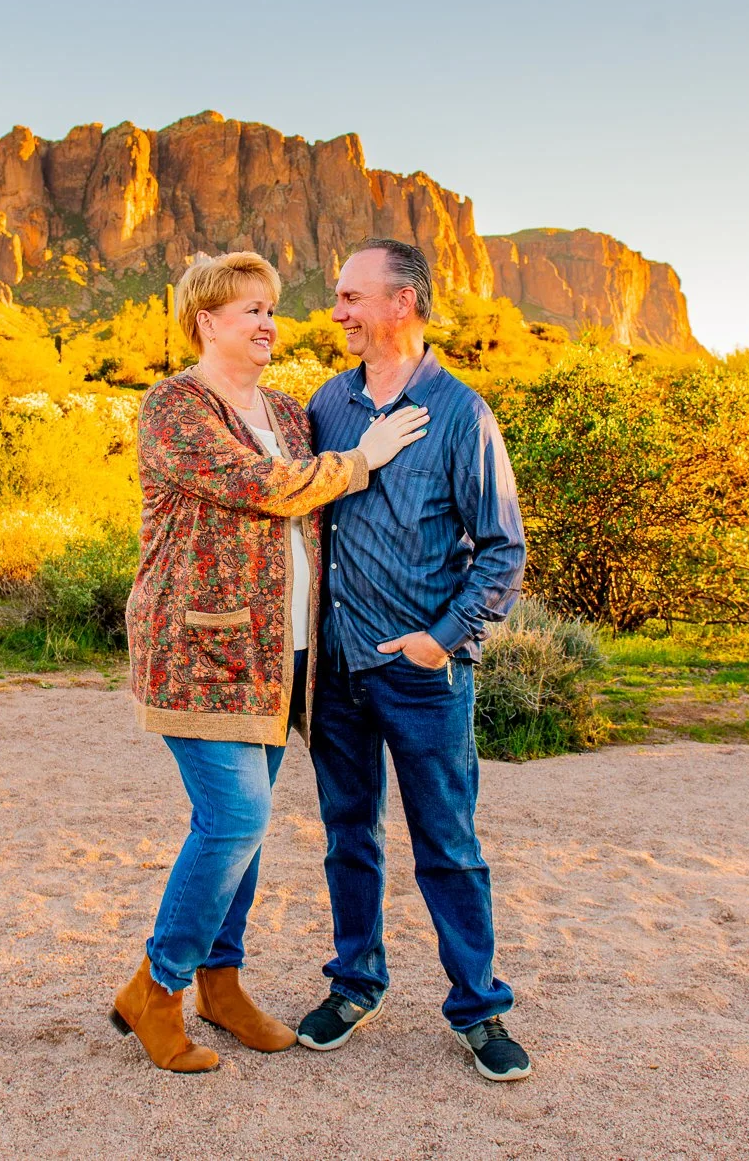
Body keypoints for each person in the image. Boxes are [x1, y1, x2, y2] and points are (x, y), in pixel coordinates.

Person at [112, 250, 429, 1074]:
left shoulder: (290, 412)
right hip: (200, 652)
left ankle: (222, 984)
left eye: (270, 309)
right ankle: (158, 985)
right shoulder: (175, 406)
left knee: (240, 832)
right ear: (206, 322)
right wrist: (365, 457)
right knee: (236, 819)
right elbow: (268, 486)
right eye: (248, 309)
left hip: (283, 655)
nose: (266, 323)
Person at [298, 237, 532, 1082]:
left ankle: (479, 1006)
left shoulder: (462, 413)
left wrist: (442, 638)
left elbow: (504, 551)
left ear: (404, 303)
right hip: (338, 673)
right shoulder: (329, 404)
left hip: (424, 674)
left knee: (449, 843)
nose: (338, 313)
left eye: (352, 297)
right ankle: (355, 983)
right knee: (347, 836)